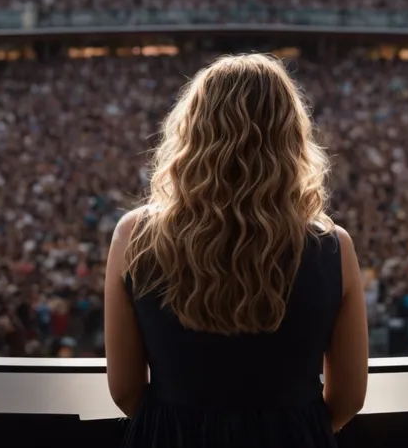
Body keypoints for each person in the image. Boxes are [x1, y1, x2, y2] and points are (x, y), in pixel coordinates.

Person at [104, 53, 369, 447]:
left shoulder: (134, 236)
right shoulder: (333, 248)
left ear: (192, 132)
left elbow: (125, 389)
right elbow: (348, 398)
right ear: (291, 136)